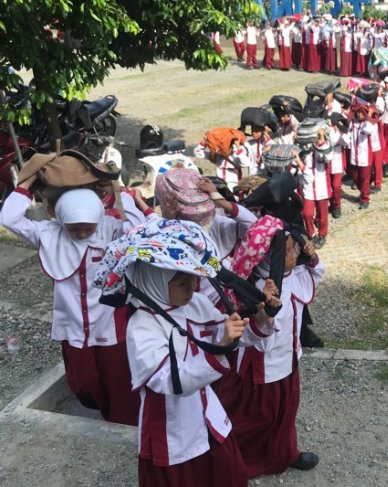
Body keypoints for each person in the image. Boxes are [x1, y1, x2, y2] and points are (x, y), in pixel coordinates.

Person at [94, 219, 279, 487]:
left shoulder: (197, 304)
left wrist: (260, 320)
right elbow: (169, 379)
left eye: (194, 279)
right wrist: (220, 349)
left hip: (207, 412)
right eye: (182, 282)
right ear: (153, 280)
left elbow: (228, 337)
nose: (192, 287)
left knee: (229, 474)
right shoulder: (142, 326)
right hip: (171, 427)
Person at [0, 182, 149, 425]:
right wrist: (26, 185)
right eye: (74, 228)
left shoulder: (111, 230)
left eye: (87, 228)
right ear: (60, 219)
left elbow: (140, 228)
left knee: (119, 380)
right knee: (84, 381)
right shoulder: (48, 234)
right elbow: (9, 218)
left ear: (98, 219)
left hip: (109, 322)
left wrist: (121, 194)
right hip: (73, 324)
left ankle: (119, 423)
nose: (81, 234)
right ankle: (102, 408)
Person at [218, 218, 325, 476]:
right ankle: (246, 461)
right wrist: (266, 310)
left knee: (286, 412)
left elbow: (316, 275)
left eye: (293, 249)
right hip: (263, 369)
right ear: (269, 257)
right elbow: (257, 337)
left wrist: (311, 256)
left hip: (288, 362)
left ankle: (284, 452)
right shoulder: (257, 290)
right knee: (257, 417)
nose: (294, 254)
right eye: (287, 251)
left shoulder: (295, 276)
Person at [295, 128, 332, 249]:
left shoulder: (325, 149)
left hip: (322, 187)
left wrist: (322, 140)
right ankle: (311, 233)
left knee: (323, 214)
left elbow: (329, 158)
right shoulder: (307, 152)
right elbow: (307, 174)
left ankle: (322, 235)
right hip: (309, 188)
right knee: (307, 213)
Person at [349, 102, 377, 210]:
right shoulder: (353, 123)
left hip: (365, 156)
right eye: (358, 113)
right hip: (354, 156)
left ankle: (365, 199)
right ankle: (363, 193)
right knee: (355, 177)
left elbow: (368, 130)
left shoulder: (369, 123)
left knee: (364, 179)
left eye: (362, 113)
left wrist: (369, 115)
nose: (360, 115)